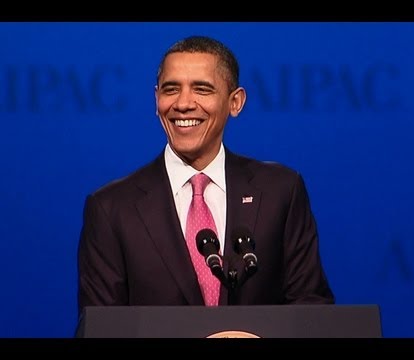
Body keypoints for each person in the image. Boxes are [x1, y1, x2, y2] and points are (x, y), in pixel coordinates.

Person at [77, 35, 334, 316]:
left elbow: (311, 311)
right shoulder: (112, 208)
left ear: (235, 102)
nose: (183, 103)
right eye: (171, 89)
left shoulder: (280, 192)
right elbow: (102, 327)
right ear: (156, 99)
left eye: (202, 89)